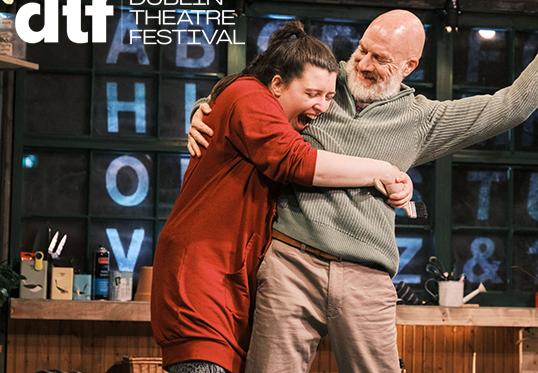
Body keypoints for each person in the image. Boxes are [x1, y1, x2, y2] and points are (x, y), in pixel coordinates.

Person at [189, 0, 538, 373]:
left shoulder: (422, 119)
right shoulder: (323, 84)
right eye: (363, 49)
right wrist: (201, 109)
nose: (363, 62)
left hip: (366, 277)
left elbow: (509, 106)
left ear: (409, 66)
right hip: (291, 263)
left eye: (380, 58)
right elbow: (251, 93)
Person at [151, 21, 412, 373]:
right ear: (277, 84)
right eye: (311, 94)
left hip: (228, 283)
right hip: (201, 278)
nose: (322, 106)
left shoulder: (263, 105)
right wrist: (382, 170)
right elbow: (296, 161)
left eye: (330, 97)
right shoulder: (249, 96)